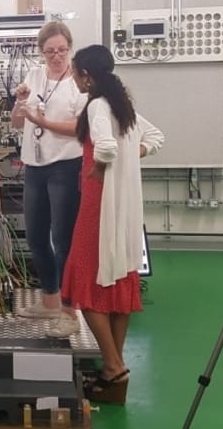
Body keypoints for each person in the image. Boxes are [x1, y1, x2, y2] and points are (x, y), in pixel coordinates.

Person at [49, 44, 164, 404]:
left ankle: (114, 368)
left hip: (99, 204)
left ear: (88, 76)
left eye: (77, 72)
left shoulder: (98, 105)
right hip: (124, 205)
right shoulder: (122, 105)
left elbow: (107, 147)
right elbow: (156, 138)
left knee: (84, 277)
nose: (75, 78)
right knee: (115, 280)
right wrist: (131, 156)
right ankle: (115, 370)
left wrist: (100, 166)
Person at [10, 21, 88, 320]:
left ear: (70, 48)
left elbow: (81, 129)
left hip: (66, 167)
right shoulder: (34, 75)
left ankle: (70, 310)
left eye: (62, 50)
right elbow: (18, 123)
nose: (56, 57)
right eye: (49, 51)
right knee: (36, 237)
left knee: (64, 240)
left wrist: (43, 122)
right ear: (40, 52)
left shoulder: (78, 83)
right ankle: (50, 301)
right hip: (34, 166)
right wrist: (19, 104)